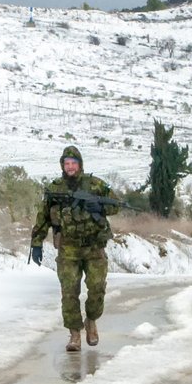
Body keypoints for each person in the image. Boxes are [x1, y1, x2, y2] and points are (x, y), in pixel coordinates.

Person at [29, 145, 121, 352]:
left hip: (94, 247)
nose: (70, 167)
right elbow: (43, 217)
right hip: (68, 249)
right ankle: (74, 334)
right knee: (69, 292)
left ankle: (91, 321)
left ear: (80, 164)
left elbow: (116, 204)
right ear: (62, 165)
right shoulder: (55, 188)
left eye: (73, 163)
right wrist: (36, 242)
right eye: (66, 163)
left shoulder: (95, 184)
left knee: (97, 288)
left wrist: (99, 207)